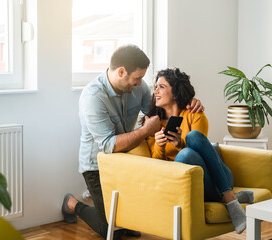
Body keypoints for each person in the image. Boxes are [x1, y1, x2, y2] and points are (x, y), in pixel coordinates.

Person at [61, 45, 205, 239]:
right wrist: (145, 130)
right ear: (121, 72)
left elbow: (159, 111)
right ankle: (72, 204)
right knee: (109, 230)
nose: (140, 84)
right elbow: (108, 146)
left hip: (127, 160)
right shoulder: (93, 98)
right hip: (97, 165)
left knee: (130, 220)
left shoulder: (139, 88)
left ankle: (124, 222)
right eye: (137, 78)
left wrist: (189, 100)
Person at [143, 67, 254, 234]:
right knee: (184, 155)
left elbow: (201, 151)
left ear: (175, 93)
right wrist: (160, 144)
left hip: (217, 176)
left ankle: (229, 197)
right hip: (189, 183)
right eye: (155, 87)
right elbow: (155, 165)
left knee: (192, 138)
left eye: (161, 87)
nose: (155, 91)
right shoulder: (153, 123)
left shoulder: (195, 115)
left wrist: (180, 143)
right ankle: (231, 198)